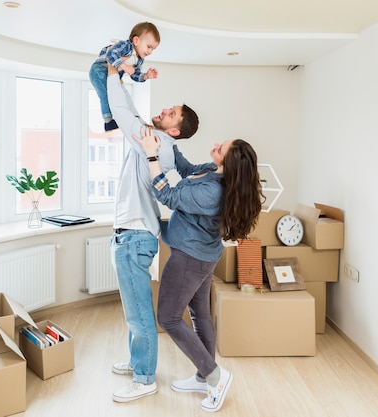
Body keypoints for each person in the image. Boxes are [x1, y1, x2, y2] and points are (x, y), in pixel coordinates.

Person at [134, 126, 264, 413]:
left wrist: (152, 156)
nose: (215, 145)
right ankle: (203, 376)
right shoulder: (213, 171)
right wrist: (170, 143)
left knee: (168, 317)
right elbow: (187, 168)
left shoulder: (212, 193)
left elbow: (166, 195)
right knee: (199, 313)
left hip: (190, 258)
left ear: (227, 162)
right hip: (203, 255)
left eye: (221, 148)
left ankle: (215, 374)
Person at [106, 65, 200, 403]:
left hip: (133, 237)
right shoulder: (162, 146)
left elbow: (120, 110)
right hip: (133, 235)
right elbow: (131, 113)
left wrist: (115, 74)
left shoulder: (154, 141)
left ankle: (144, 378)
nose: (163, 111)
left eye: (170, 113)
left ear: (174, 130)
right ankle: (137, 363)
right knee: (135, 311)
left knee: (139, 313)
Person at [89, 22, 160, 132]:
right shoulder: (125, 46)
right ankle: (108, 122)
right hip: (99, 71)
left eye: (153, 49)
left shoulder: (140, 59)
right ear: (136, 41)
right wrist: (124, 66)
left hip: (111, 75)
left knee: (114, 95)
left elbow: (135, 75)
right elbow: (110, 54)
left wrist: (146, 76)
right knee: (105, 96)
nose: (150, 51)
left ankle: (116, 119)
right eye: (149, 47)